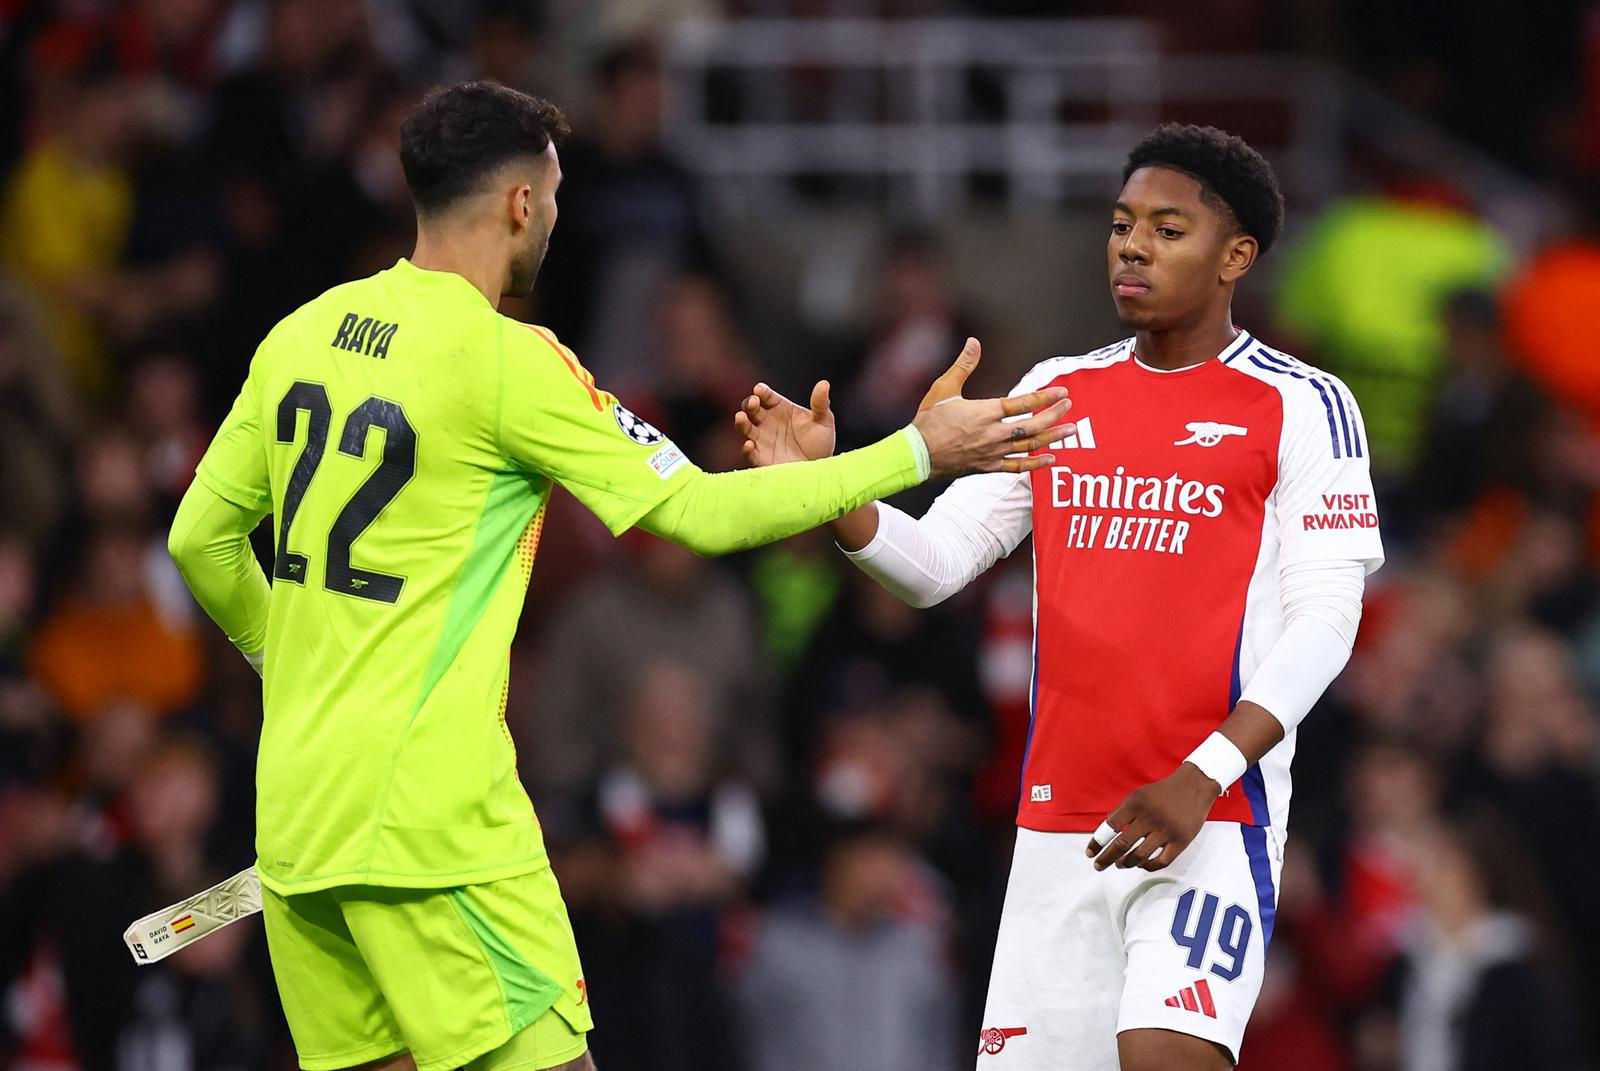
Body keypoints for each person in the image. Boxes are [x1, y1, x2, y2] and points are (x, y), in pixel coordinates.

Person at [162, 80, 1069, 1071]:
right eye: (552, 194)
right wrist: (913, 452)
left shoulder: (301, 334)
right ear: (519, 203)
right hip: (433, 827)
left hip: (298, 814)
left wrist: (288, 663)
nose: (556, 212)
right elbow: (698, 513)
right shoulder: (509, 363)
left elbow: (200, 541)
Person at [738, 123, 1384, 1070]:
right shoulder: (1055, 391)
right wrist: (833, 487)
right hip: (1057, 829)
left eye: (1169, 229)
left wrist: (1202, 774)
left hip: (1210, 816)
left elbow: (1326, 622)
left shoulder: (1302, 404)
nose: (1132, 244)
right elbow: (936, 563)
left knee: (1166, 1053)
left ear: (1235, 256)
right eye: (1123, 223)